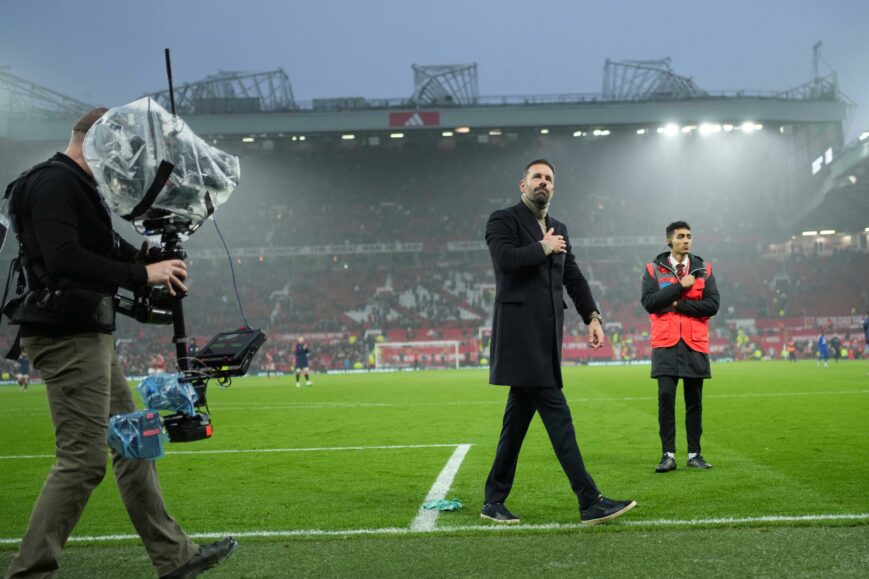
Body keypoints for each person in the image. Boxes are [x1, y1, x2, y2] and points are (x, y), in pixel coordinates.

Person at [3, 108, 237, 578]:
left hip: (85, 332)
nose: (128, 162)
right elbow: (64, 257)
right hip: (66, 336)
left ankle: (174, 558)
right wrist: (141, 273)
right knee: (83, 461)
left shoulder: (76, 185)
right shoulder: (55, 183)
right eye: (124, 149)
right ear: (99, 141)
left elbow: (101, 246)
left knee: (135, 441)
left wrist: (147, 257)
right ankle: (30, 572)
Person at [481, 159, 636, 526]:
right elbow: (504, 261)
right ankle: (589, 500)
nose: (543, 183)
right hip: (521, 338)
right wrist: (543, 247)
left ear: (554, 188)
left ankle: (493, 500)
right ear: (522, 185)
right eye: (536, 177)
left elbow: (574, 276)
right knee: (559, 417)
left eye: (549, 179)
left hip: (547, 339)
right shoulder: (502, 220)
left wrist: (593, 317)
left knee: (515, 424)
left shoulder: (559, 228)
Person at [641, 221, 720, 473]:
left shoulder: (704, 269)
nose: (686, 240)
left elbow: (712, 306)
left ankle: (695, 454)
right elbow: (650, 303)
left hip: (694, 343)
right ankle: (668, 455)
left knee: (694, 401)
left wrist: (677, 305)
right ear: (669, 241)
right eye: (680, 236)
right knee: (666, 397)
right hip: (665, 343)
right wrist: (680, 286)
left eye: (689, 236)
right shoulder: (653, 270)